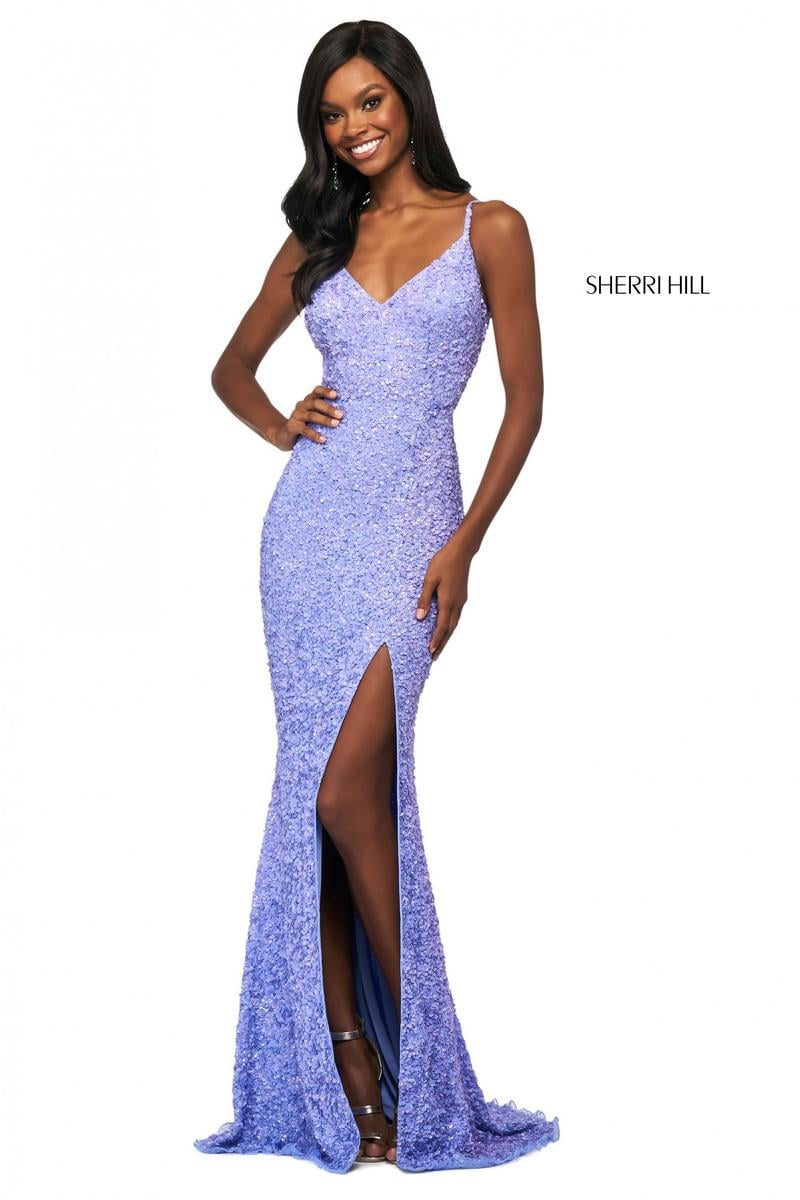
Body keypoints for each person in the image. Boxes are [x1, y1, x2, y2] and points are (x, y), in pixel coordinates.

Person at [194, 18, 560, 1173]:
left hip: (413, 529)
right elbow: (229, 368)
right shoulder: (319, 236)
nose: (352, 127)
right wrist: (277, 424)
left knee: (352, 790)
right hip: (306, 534)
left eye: (368, 101)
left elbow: (523, 404)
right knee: (321, 797)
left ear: (406, 97)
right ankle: (350, 1072)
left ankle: (424, 1083)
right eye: (331, 113)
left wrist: (465, 544)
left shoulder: (489, 227)